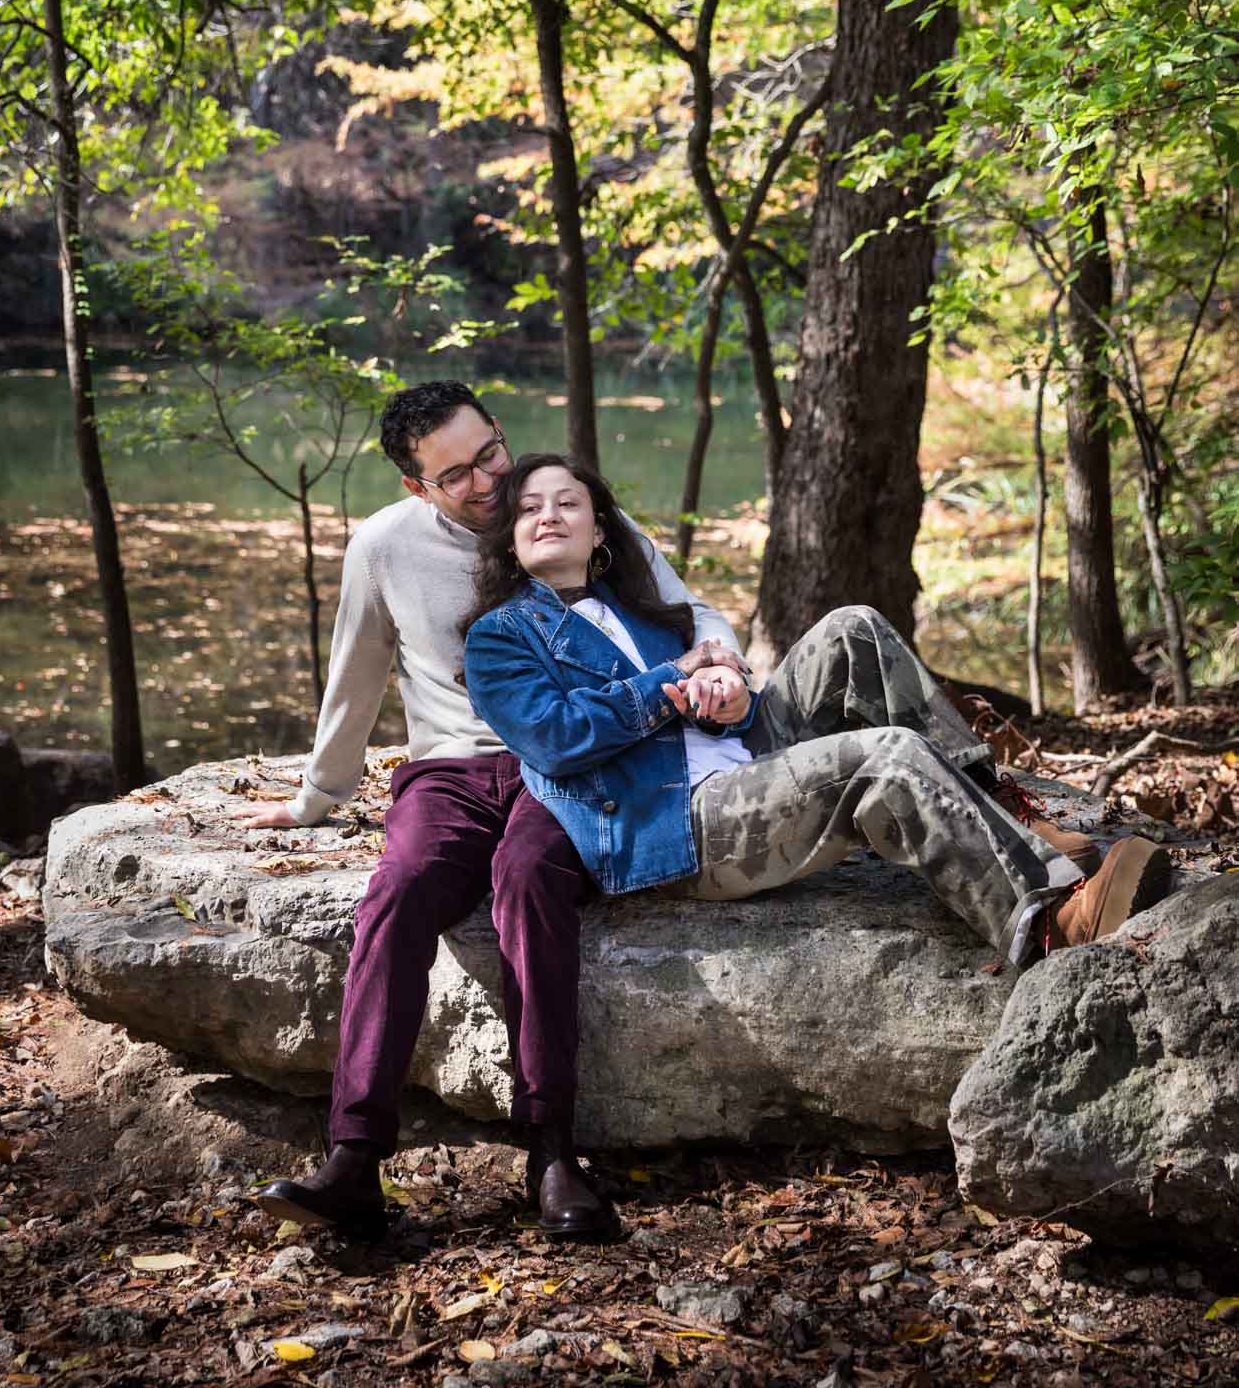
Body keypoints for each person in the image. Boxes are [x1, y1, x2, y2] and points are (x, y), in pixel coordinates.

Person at [243, 382, 740, 1244]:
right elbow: (355, 675)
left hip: (574, 758)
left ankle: (550, 1150)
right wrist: (318, 796)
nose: (487, 482)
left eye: (489, 452)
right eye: (457, 475)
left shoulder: (563, 511)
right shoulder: (385, 548)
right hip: (453, 771)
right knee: (398, 895)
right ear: (416, 489)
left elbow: (688, 610)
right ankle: (353, 1160)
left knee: (527, 882)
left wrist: (722, 661)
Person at [461, 453, 1171, 969]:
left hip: (742, 763)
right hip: (681, 826)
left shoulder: (644, 615)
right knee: (884, 755)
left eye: (566, 502)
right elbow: (555, 740)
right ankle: (1050, 924)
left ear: (600, 531)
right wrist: (673, 680)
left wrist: (729, 702)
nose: (547, 515)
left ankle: (1007, 816)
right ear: (512, 540)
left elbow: (716, 713)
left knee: (852, 627)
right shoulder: (500, 636)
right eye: (527, 508)